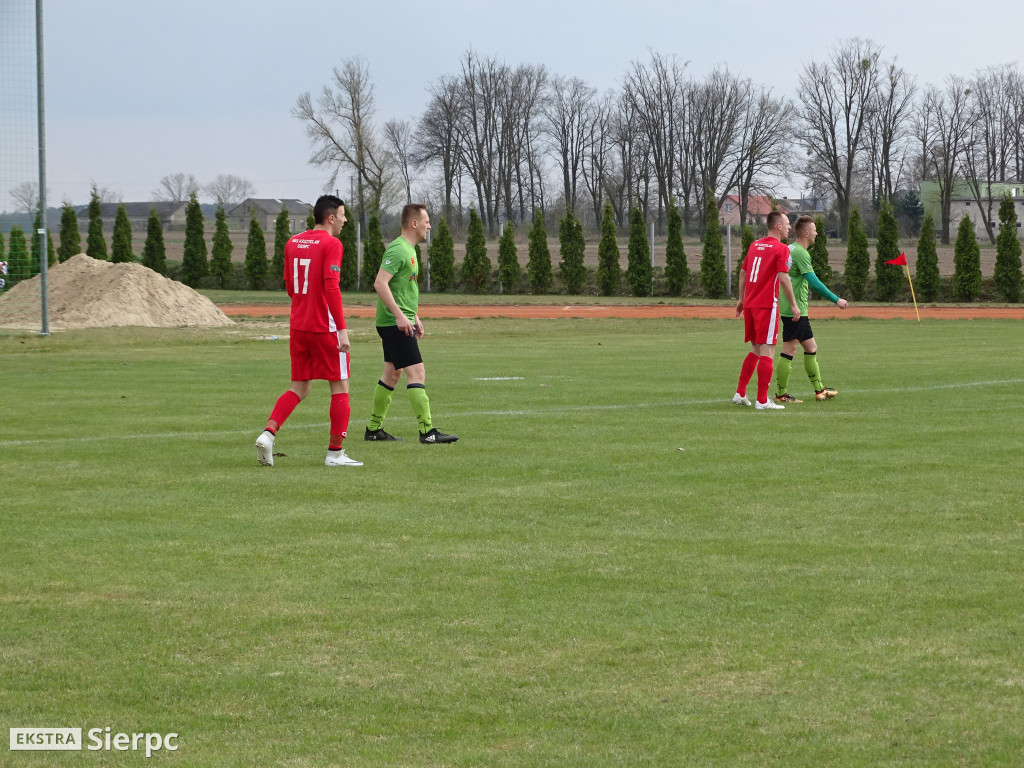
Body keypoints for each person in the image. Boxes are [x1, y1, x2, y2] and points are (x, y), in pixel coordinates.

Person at [254, 195, 362, 467]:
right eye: (343, 214)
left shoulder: (292, 242)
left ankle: (268, 434)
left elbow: (290, 286)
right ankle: (335, 453)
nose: (346, 220)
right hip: (324, 326)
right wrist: (342, 329)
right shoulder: (332, 243)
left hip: (298, 325)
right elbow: (331, 288)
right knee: (340, 385)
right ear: (331, 218)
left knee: (300, 387)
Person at [364, 203, 458, 444]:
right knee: (417, 372)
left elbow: (402, 288)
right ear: (414, 223)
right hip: (394, 324)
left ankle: (374, 430)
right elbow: (380, 283)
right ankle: (427, 432)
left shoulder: (410, 250)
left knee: (392, 374)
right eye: (426, 220)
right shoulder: (398, 250)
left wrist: (413, 315)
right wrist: (399, 316)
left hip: (400, 321)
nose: (429, 225)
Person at [774, 216, 848, 403]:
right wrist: (836, 299)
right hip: (794, 310)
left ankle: (819, 390)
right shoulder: (800, 253)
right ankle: (781, 394)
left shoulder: (790, 248)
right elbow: (813, 282)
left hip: (797, 309)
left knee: (811, 347)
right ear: (807, 233)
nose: (816, 233)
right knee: (789, 349)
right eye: (814, 230)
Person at [732, 211, 800, 411]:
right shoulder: (781, 248)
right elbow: (783, 277)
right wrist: (794, 305)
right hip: (766, 305)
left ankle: (740, 393)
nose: (789, 227)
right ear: (778, 226)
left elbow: (743, 272)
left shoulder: (755, 245)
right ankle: (762, 400)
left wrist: (741, 299)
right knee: (768, 349)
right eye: (787, 223)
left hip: (751, 304)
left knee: (756, 348)